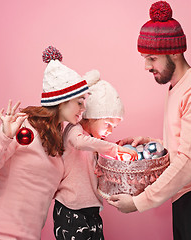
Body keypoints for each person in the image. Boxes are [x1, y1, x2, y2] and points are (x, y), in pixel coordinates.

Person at [107, 1, 191, 239]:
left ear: (175, 52)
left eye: (152, 58)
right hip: (187, 197)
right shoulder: (178, 88)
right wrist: (155, 142)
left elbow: (188, 161)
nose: (146, 66)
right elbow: (190, 145)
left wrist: (138, 202)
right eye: (145, 58)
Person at [0, 46, 91, 240]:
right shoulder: (22, 125)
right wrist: (4, 136)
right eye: (79, 101)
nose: (83, 108)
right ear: (63, 100)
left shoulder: (61, 139)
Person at [53, 70, 137, 240]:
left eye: (114, 127)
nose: (110, 130)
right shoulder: (74, 129)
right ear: (91, 116)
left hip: (92, 209)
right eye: (107, 124)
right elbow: (79, 142)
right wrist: (113, 149)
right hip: (70, 209)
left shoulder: (94, 140)